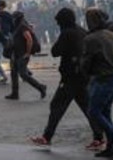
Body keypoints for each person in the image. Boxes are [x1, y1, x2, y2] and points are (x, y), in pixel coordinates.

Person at [31, 8, 104, 149]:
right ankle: (99, 136)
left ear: (63, 21)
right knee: (88, 107)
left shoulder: (67, 33)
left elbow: (55, 51)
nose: (58, 24)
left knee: (57, 105)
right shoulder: (82, 30)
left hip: (71, 77)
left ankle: (47, 137)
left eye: (59, 22)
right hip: (83, 75)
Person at [81, 8, 113, 158]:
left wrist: (84, 71)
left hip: (101, 77)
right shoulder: (112, 35)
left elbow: (86, 61)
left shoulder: (90, 39)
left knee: (94, 111)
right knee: (105, 112)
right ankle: (112, 147)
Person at [5, 11, 46, 100]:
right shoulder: (18, 26)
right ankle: (15, 93)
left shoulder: (23, 26)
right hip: (15, 54)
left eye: (14, 18)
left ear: (18, 18)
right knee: (13, 73)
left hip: (22, 54)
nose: (13, 20)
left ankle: (41, 87)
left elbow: (29, 39)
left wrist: (27, 53)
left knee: (23, 74)